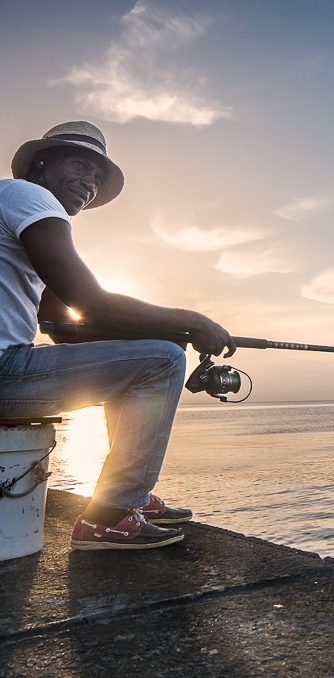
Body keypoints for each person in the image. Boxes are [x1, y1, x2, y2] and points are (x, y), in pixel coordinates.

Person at [0, 121, 236, 550]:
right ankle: (108, 516)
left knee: (150, 355)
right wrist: (191, 322)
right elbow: (90, 302)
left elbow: (62, 325)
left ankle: (131, 499)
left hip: (9, 369)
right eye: (79, 165)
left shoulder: (17, 213)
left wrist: (156, 335)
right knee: (162, 361)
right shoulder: (27, 197)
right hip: (4, 370)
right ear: (41, 163)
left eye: (97, 176)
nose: (89, 182)